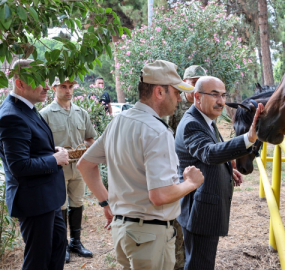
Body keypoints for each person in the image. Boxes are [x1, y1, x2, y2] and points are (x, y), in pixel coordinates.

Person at [76, 60, 205, 270]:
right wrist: (191, 183)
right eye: (176, 92)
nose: (180, 98)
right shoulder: (157, 131)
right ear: (159, 92)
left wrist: (106, 204)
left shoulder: (119, 121)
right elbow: (160, 195)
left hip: (123, 232)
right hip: (149, 237)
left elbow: (85, 165)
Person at [175, 76, 263, 269]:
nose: (221, 101)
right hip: (199, 213)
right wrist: (248, 138)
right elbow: (208, 153)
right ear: (197, 97)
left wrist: (227, 169)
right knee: (200, 265)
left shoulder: (206, 120)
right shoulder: (192, 123)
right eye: (214, 95)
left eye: (223, 95)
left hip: (204, 209)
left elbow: (206, 154)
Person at [0, 59, 69, 270]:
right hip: (34, 201)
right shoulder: (12, 115)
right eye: (40, 81)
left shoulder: (27, 107)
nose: (47, 86)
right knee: (37, 260)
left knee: (58, 246)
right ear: (20, 83)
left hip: (47, 198)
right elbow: (19, 166)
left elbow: (31, 147)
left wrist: (51, 151)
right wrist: (54, 160)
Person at [40, 78, 97, 263]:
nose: (68, 90)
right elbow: (40, 145)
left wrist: (86, 150)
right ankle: (62, 245)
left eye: (71, 87)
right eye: (63, 86)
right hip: (58, 169)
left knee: (77, 203)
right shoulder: (45, 114)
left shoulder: (81, 112)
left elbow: (90, 139)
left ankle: (76, 242)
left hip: (78, 167)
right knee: (61, 206)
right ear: (54, 88)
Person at [160, 64, 206, 270]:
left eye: (200, 83)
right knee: (177, 228)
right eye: (194, 82)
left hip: (194, 175)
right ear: (185, 83)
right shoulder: (172, 106)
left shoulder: (201, 107)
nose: (197, 87)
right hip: (174, 174)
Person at [162, 65, 207, 134]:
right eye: (194, 82)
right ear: (184, 82)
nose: (198, 86)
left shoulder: (206, 105)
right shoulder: (173, 105)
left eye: (201, 82)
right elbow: (165, 134)